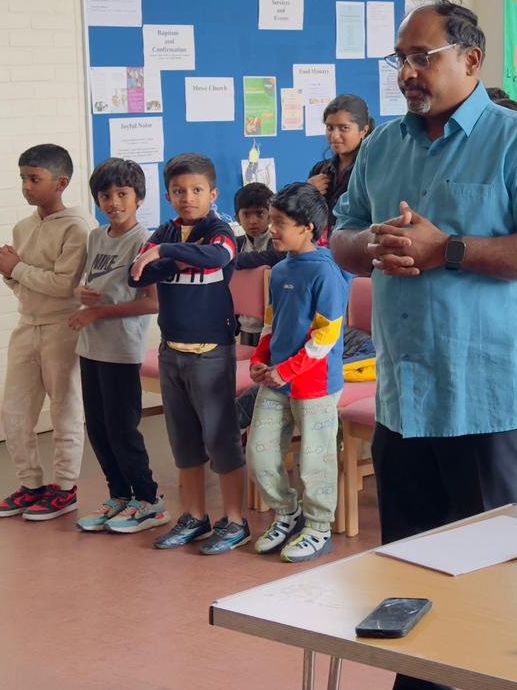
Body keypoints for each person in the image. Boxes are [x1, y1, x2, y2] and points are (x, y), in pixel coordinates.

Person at [331, 0, 517, 690]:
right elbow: (341, 235)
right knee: (410, 569)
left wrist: (451, 250)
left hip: (489, 396)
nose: (408, 72)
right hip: (407, 395)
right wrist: (367, 244)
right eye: (400, 59)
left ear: (471, 61)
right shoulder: (382, 148)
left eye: (423, 57)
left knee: (506, 574)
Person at [131, 153, 251, 554]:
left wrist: (166, 253)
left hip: (211, 354)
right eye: (179, 191)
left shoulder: (219, 230)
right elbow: (137, 273)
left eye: (197, 190)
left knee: (221, 439)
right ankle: (195, 516)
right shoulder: (165, 231)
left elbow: (217, 256)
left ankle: (235, 520)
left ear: (213, 194)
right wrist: (172, 256)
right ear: (168, 196)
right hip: (172, 352)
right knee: (183, 440)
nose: (188, 198)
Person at [0, 144, 94, 521]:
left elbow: (65, 286)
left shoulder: (78, 227)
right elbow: (23, 286)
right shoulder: (23, 227)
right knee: (13, 411)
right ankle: (30, 485)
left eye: (35, 179)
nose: (26, 186)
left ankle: (65, 489)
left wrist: (15, 269)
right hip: (26, 324)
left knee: (65, 409)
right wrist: (9, 273)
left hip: (63, 327)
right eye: (23, 179)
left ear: (60, 183)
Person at [247, 182, 349, 564]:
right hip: (276, 379)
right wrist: (260, 359)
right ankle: (287, 513)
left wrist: (287, 371)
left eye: (280, 223)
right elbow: (272, 323)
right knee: (259, 453)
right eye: (271, 220)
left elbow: (326, 334)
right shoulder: (278, 271)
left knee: (315, 460)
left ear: (307, 228)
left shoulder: (326, 272)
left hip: (314, 383)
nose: (271, 229)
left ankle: (319, 527)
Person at [69, 159, 166, 534]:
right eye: (105, 195)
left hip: (121, 350)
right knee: (98, 429)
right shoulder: (96, 237)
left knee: (122, 429)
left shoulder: (145, 242)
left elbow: (152, 302)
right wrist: (83, 296)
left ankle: (149, 500)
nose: (113, 202)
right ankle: (120, 496)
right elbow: (90, 284)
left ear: (138, 198)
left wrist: (99, 313)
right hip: (91, 346)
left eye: (122, 194)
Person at [308, 94, 375, 225]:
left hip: (358, 237)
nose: (334, 136)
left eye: (344, 128)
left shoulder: (372, 170)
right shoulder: (320, 169)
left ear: (363, 131)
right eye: (329, 128)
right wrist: (307, 192)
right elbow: (303, 219)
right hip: (325, 238)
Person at [233, 181, 278, 343]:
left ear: (271, 215)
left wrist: (232, 259)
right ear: (237, 217)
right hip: (244, 324)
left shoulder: (277, 242)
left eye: (260, 214)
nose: (253, 221)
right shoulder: (236, 244)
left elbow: (271, 257)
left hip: (271, 325)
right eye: (246, 214)